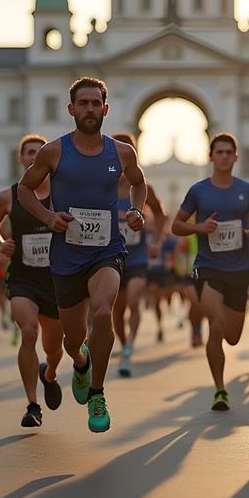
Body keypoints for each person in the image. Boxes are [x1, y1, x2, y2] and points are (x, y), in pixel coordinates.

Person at [18, 78, 148, 433]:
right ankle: (79, 360)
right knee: (73, 339)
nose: (90, 109)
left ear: (105, 109)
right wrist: (47, 217)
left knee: (103, 311)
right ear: (71, 109)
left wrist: (136, 211)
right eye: (83, 103)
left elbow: (139, 183)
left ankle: (96, 392)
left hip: (107, 251)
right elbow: (24, 191)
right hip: (67, 258)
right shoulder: (54, 152)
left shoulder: (122, 152)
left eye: (96, 103)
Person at [172, 132, 249, 412]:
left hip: (240, 269)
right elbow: (177, 225)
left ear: (236, 157)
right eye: (218, 152)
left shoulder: (247, 191)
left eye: (228, 152)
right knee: (217, 324)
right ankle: (220, 389)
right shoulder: (199, 191)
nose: (223, 156)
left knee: (232, 336)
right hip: (208, 267)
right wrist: (199, 228)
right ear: (210, 157)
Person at [0, 134, 64, 428]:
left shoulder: (61, 194)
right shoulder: (8, 196)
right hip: (22, 277)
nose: (33, 157)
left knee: (54, 347)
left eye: (38, 153)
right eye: (28, 153)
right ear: (21, 159)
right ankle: (32, 405)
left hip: (56, 279)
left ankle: (50, 373)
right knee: (29, 332)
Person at [110, 132, 167, 378]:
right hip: (111, 257)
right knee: (116, 310)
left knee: (134, 300)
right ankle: (124, 345)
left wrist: (157, 240)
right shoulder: (105, 186)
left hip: (138, 256)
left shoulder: (144, 187)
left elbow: (161, 214)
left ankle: (129, 347)